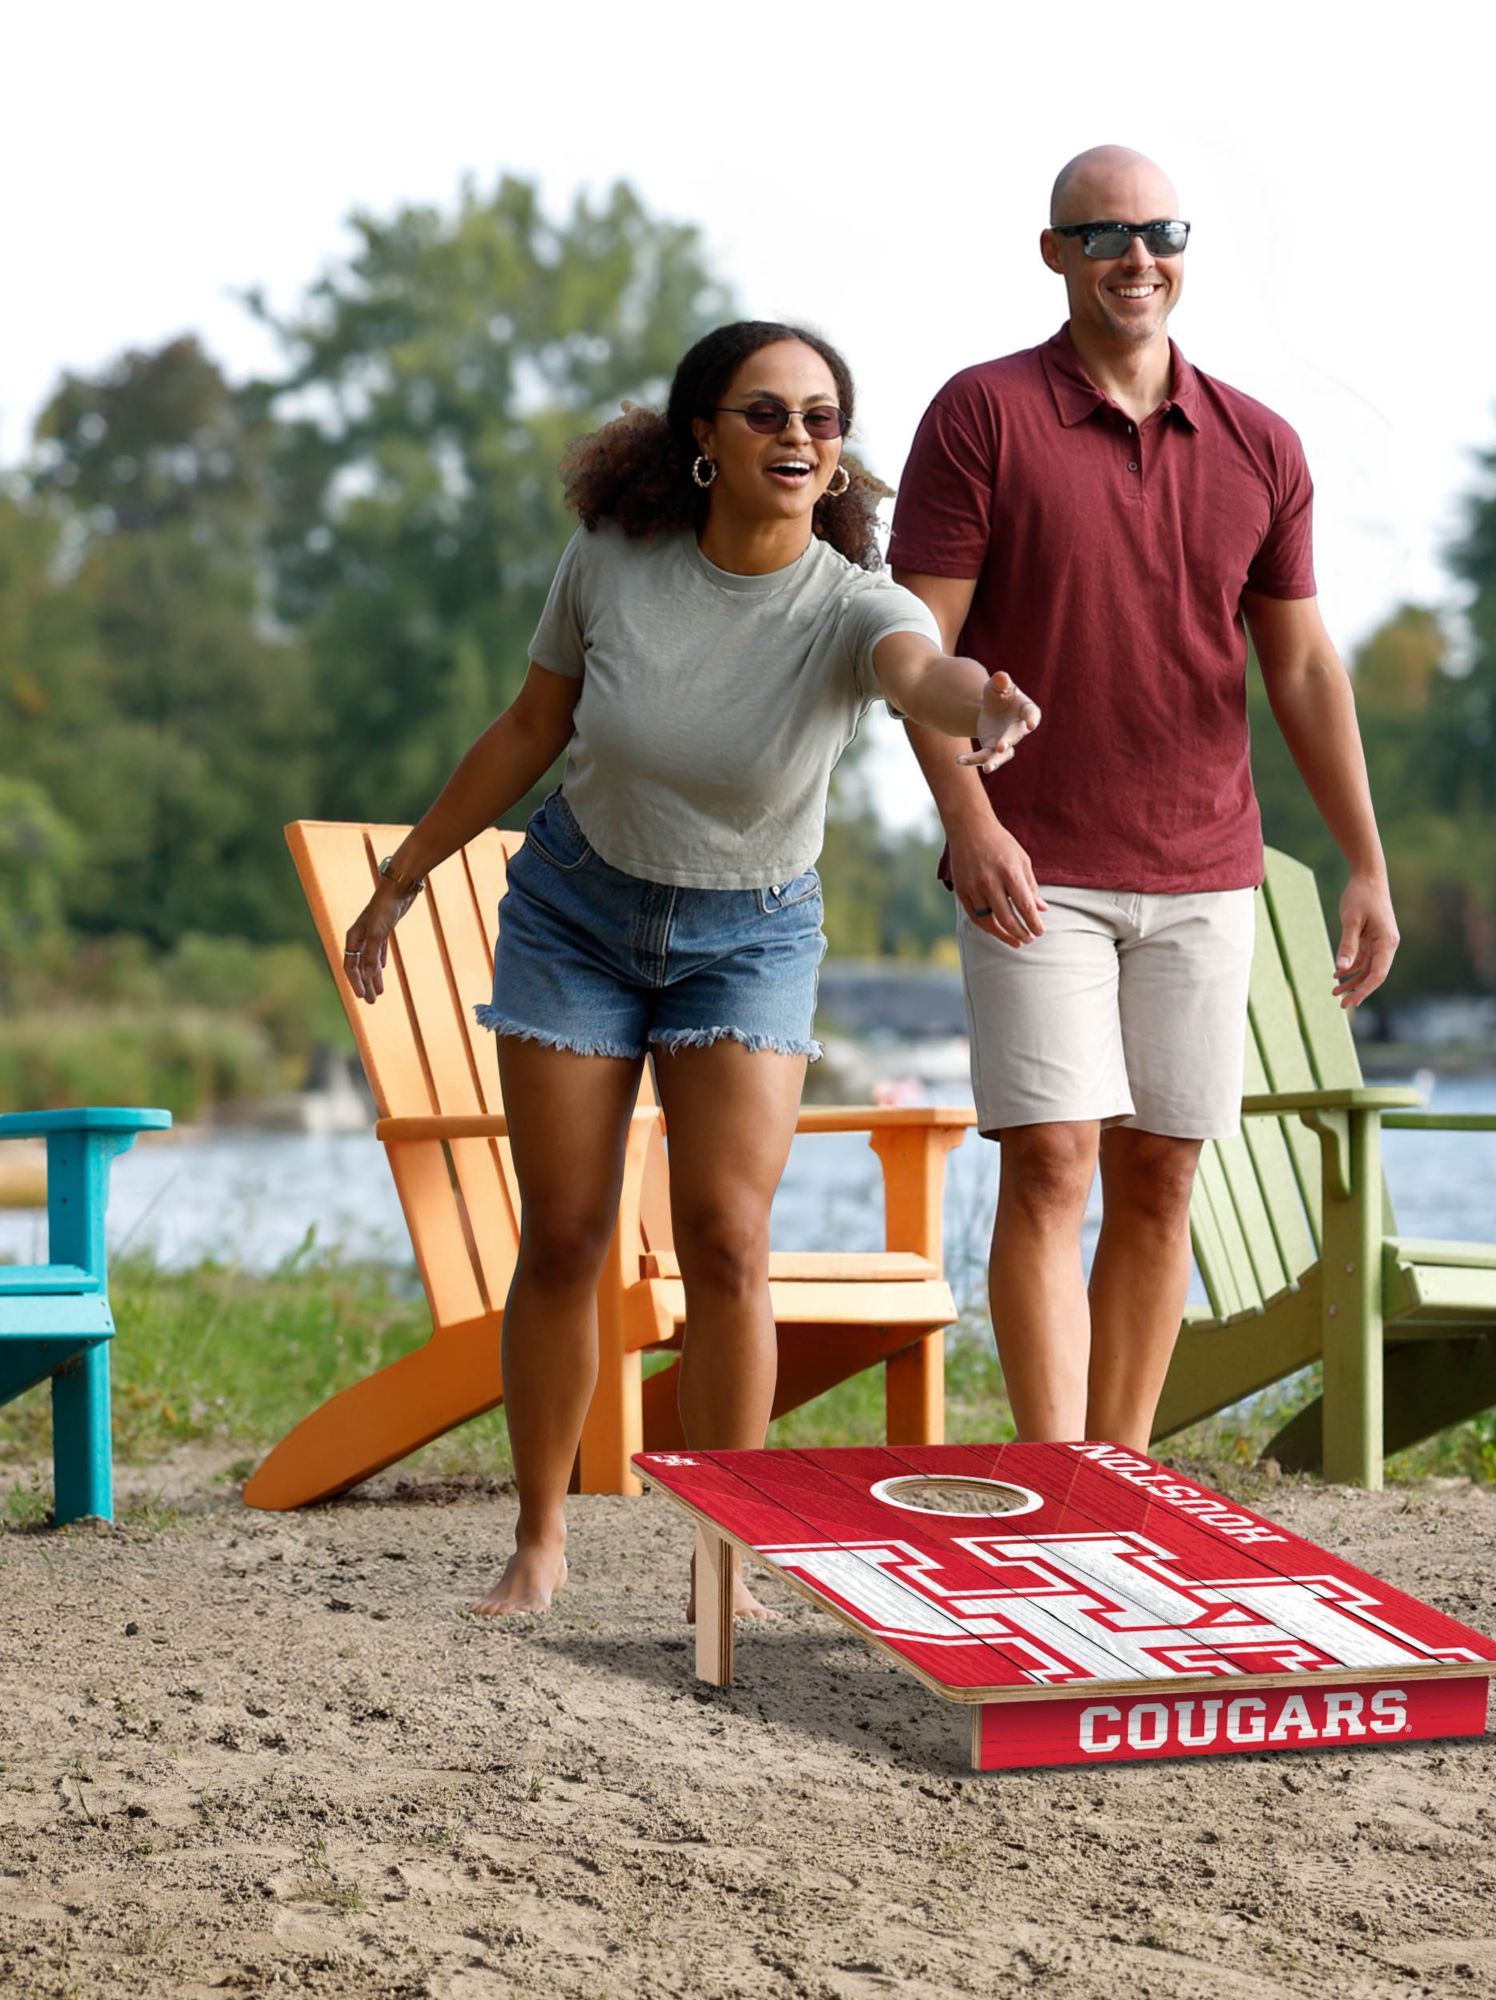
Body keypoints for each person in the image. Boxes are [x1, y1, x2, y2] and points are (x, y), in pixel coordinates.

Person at [341, 320, 1040, 1617]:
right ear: (704, 440)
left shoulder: (853, 602)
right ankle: (540, 1539)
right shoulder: (613, 561)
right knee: (565, 1234)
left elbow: (919, 675)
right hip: (576, 916)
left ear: (838, 459)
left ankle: (728, 1553)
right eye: (766, 413)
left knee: (728, 1240)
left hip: (751, 935)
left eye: (821, 420)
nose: (796, 438)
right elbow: (531, 727)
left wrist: (980, 707)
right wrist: (407, 876)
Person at [887, 145, 1397, 1452]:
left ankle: (1116, 1471)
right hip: (1034, 863)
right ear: (1053, 254)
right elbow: (911, 654)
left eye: (1158, 231)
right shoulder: (980, 415)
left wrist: (1364, 863)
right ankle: (1056, 1478)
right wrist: (970, 821)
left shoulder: (1260, 444)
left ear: (1184, 248)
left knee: (1161, 1174)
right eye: (1103, 235)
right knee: (1052, 1162)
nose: (1135, 256)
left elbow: (1300, 665)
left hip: (1205, 868)